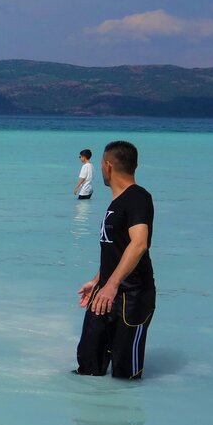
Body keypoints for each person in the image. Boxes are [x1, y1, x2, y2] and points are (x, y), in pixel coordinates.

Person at [75, 140, 155, 379]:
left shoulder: (138, 197)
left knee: (124, 376)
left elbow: (139, 243)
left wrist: (111, 285)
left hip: (131, 297)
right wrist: (98, 280)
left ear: (108, 166)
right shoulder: (117, 203)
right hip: (106, 293)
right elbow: (117, 250)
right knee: (88, 365)